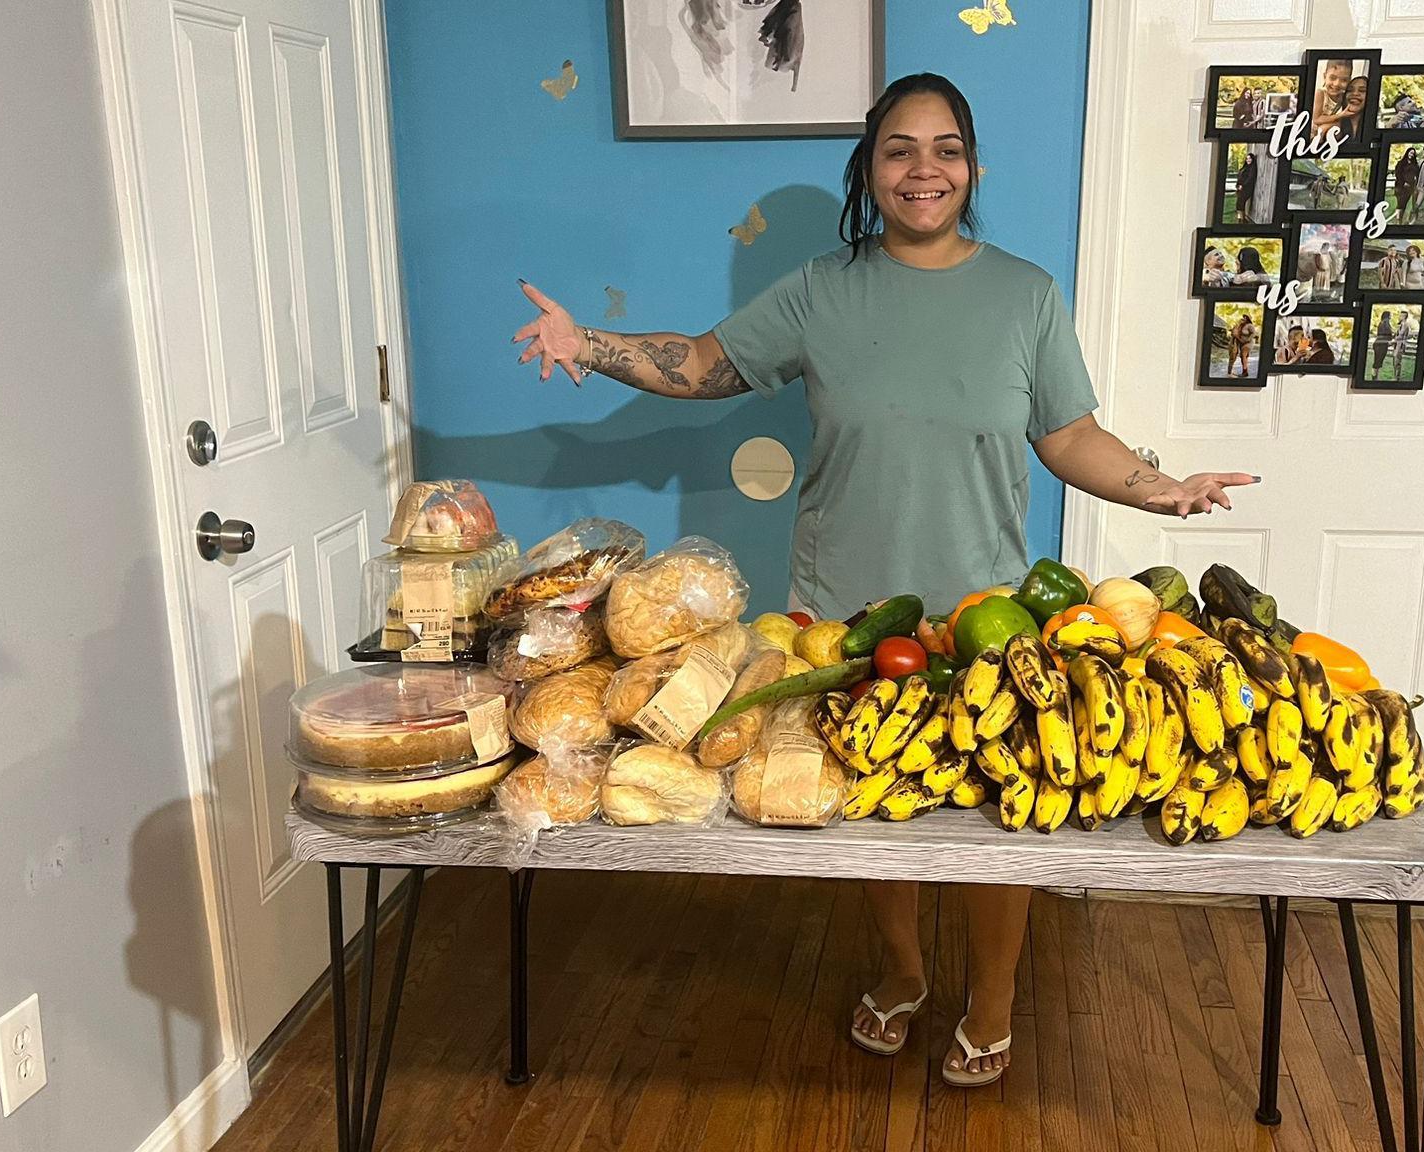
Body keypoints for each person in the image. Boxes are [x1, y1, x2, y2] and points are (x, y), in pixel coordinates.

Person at [510, 72, 1255, 1089]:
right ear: (870, 167)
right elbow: (703, 362)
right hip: (843, 609)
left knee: (1003, 812)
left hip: (984, 609)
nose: (923, 168)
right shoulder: (821, 289)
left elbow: (1068, 433)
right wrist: (583, 344)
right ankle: (902, 973)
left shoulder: (1025, 295)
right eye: (900, 148)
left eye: (944, 147)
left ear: (971, 166)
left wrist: (1160, 489)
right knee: (872, 806)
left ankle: (990, 996)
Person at [1228, 311, 1257, 377]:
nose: (1243, 318)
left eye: (1245, 317)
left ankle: (1245, 372)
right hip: (1241, 343)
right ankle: (1245, 371)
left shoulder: (1250, 326)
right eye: (1243, 317)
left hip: (1248, 343)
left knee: (1243, 354)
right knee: (1244, 357)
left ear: (1248, 319)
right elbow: (1235, 332)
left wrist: (1248, 339)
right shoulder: (1241, 326)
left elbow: (1253, 333)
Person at [1394, 146, 1419, 222]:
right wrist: (1403, 183)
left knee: (1404, 204)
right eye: (1410, 152)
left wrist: (1415, 181)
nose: (1411, 154)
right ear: (1407, 152)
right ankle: (1398, 219)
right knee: (1400, 203)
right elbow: (1398, 174)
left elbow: (1417, 174)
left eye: (1413, 153)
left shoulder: (1415, 164)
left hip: (1410, 187)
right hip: (1401, 186)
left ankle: (1401, 219)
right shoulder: (1401, 163)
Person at [1235, 150, 1259, 222]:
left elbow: (1250, 178)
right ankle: (1241, 219)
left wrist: (1243, 186)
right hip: (1240, 188)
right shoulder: (1245, 167)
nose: (1248, 160)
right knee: (1239, 204)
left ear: (1252, 159)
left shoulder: (1252, 168)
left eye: (1250, 158)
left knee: (1241, 202)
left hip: (1246, 188)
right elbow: (1240, 176)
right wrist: (1238, 185)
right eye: (1247, 158)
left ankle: (1242, 219)